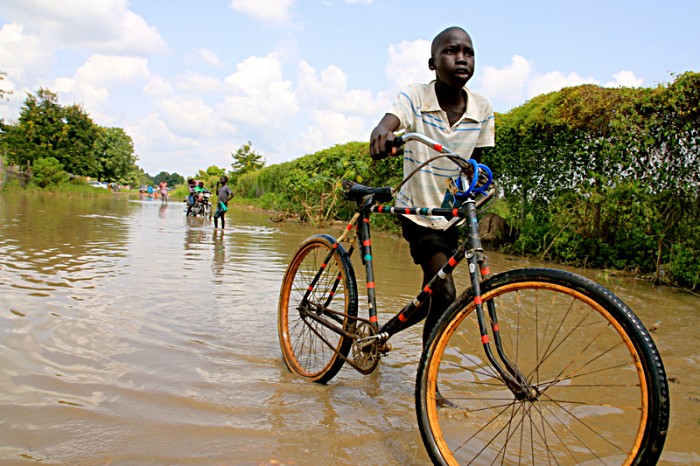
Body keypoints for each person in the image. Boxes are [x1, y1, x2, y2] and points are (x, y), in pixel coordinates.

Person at [369, 27, 495, 356]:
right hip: (417, 212)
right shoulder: (416, 96)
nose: (461, 58)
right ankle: (428, 382)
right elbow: (390, 121)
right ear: (432, 63)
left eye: (468, 52)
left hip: (449, 216)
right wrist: (383, 133)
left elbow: (474, 165)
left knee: (433, 294)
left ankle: (381, 335)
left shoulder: (482, 109)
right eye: (451, 51)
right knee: (446, 293)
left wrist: (473, 188)